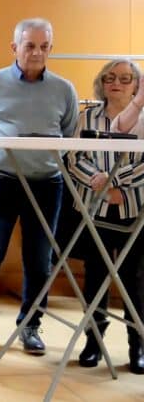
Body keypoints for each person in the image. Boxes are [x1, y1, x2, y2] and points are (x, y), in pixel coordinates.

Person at [0, 18, 78, 355]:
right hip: (1, 181)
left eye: (44, 46)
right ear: (14, 47)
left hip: (47, 184)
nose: (37, 52)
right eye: (30, 45)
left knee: (39, 260)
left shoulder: (64, 89)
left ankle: (31, 326)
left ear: (51, 49)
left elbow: (70, 133)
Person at [66, 59, 144, 373]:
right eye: (110, 77)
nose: (117, 83)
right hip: (93, 207)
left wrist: (117, 183)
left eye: (126, 78)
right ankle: (93, 343)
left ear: (137, 85)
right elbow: (73, 157)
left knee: (135, 281)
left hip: (133, 209)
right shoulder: (87, 116)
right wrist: (96, 179)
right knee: (95, 276)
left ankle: (137, 346)